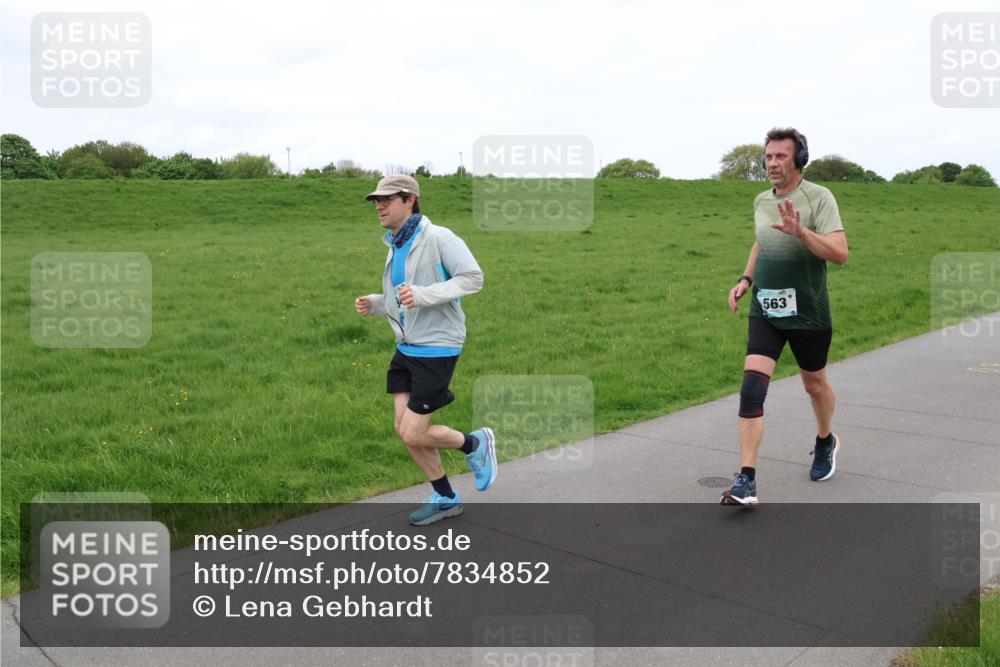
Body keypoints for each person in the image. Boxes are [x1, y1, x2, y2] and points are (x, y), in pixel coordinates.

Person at [354, 174, 496, 525]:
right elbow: (401, 295)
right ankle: (446, 497)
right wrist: (376, 303)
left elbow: (472, 278)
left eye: (387, 199)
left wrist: (423, 295)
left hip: (437, 346)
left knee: (414, 431)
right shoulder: (395, 245)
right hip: (406, 346)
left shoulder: (439, 237)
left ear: (410, 200)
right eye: (376, 201)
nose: (380, 206)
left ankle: (474, 445)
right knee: (404, 430)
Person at [722, 128, 850, 505]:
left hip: (808, 311)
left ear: (799, 159)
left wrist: (802, 233)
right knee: (752, 388)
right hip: (767, 307)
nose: (772, 163)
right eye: (768, 156)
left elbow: (840, 253)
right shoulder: (761, 200)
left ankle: (826, 441)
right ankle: (747, 479)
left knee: (814, 384)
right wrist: (746, 279)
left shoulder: (819, 198)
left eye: (780, 156)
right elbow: (762, 241)